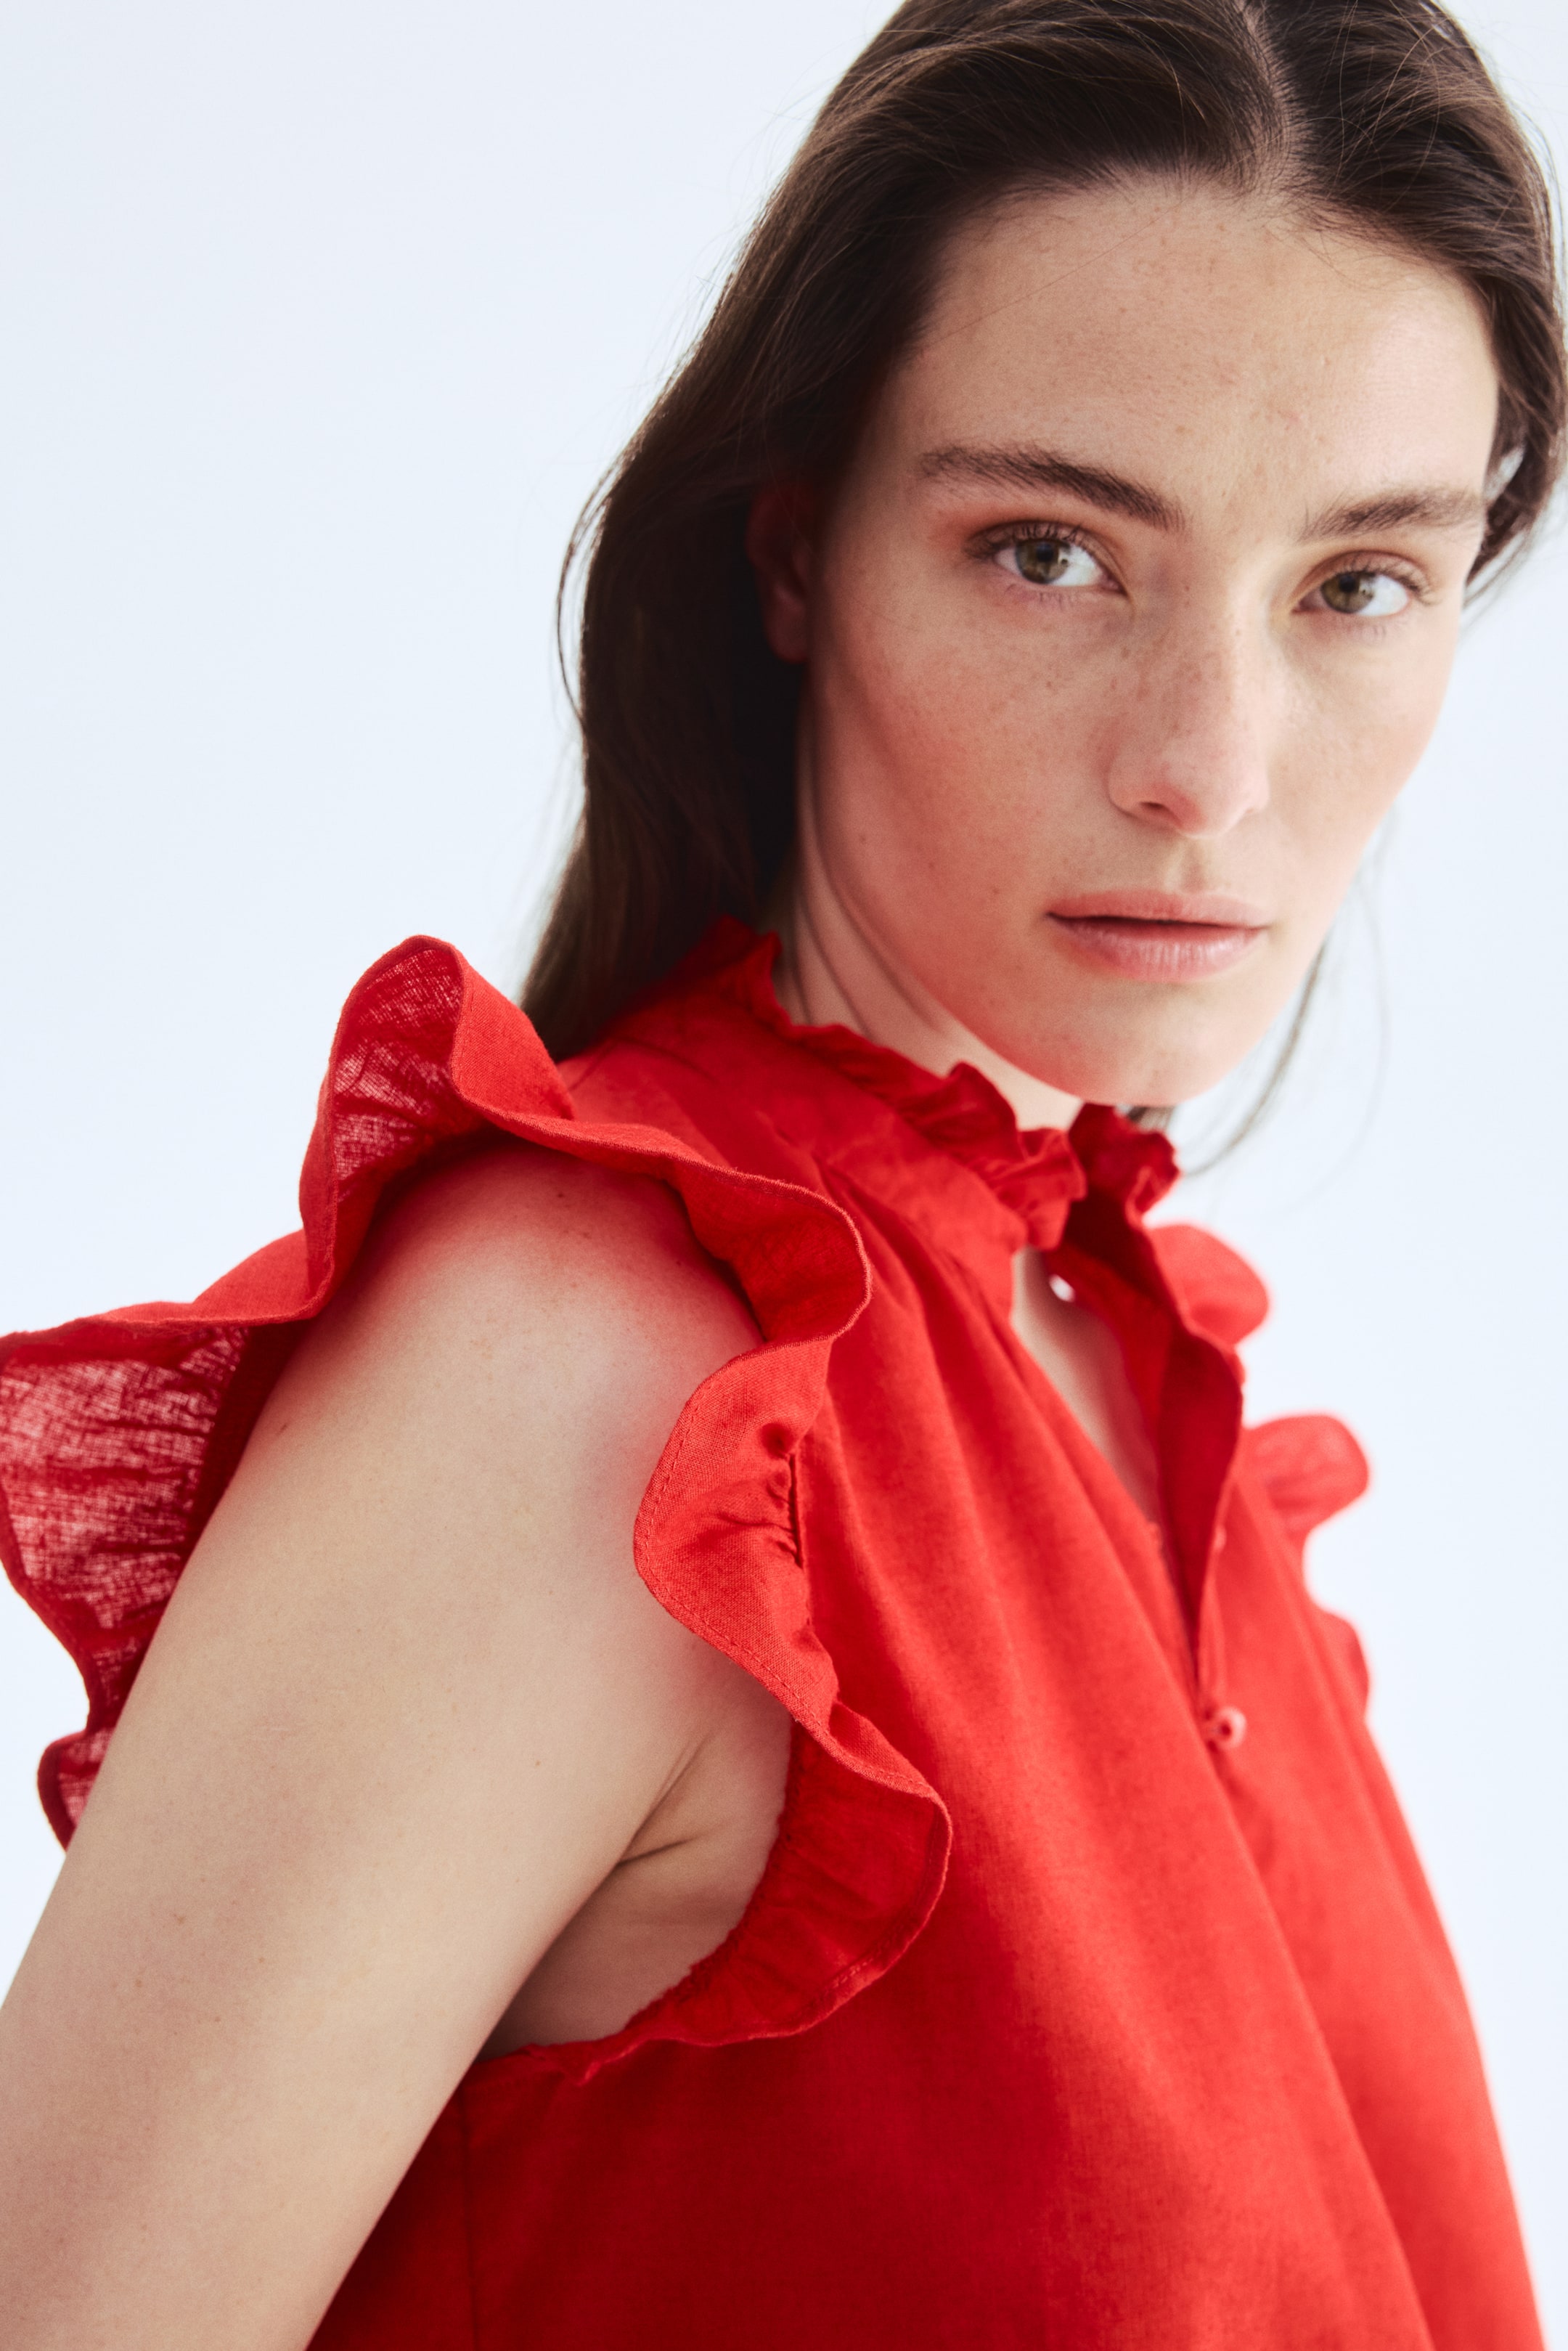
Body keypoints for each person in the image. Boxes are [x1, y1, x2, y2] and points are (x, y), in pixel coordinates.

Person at [0, 0, 1559, 2342]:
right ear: (795, 551)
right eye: (1053, 551)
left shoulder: (1123, 1368)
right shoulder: (592, 1383)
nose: (1211, 768)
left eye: (1357, 583)